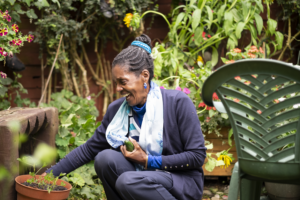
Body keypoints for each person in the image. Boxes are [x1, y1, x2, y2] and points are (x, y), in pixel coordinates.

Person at [43, 34, 206, 200]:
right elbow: (88, 150)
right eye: (116, 82)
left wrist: (148, 160)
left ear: (144, 76)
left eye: (123, 82)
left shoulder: (177, 103)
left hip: (180, 182)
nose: (118, 89)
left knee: (128, 181)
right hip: (140, 178)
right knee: (104, 159)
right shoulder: (117, 111)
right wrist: (46, 178)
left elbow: (197, 156)